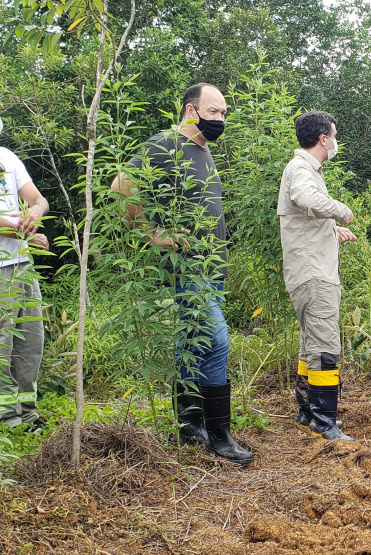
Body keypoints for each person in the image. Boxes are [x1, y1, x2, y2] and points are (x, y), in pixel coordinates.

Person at [111, 83, 253, 464]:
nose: (220, 119)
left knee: (193, 341)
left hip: (213, 266)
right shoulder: (165, 144)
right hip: (189, 268)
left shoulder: (203, 151)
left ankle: (189, 424)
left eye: (224, 113)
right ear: (191, 110)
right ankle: (220, 437)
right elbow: (121, 187)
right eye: (213, 111)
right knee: (217, 338)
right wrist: (153, 233)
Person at [278, 111, 355, 442]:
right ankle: (325, 421)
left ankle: (307, 412)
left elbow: (303, 216)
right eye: (334, 135)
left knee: (311, 342)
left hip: (307, 271)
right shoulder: (301, 169)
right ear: (324, 138)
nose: (335, 141)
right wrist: (341, 210)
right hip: (314, 276)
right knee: (325, 345)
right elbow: (306, 198)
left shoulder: (305, 170)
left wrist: (331, 230)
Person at [0, 116, 50, 431]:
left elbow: (37, 199)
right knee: (2, 345)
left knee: (31, 343)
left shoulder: (7, 157)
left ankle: (27, 414)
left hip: (21, 265)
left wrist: (34, 215)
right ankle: (7, 419)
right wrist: (19, 228)